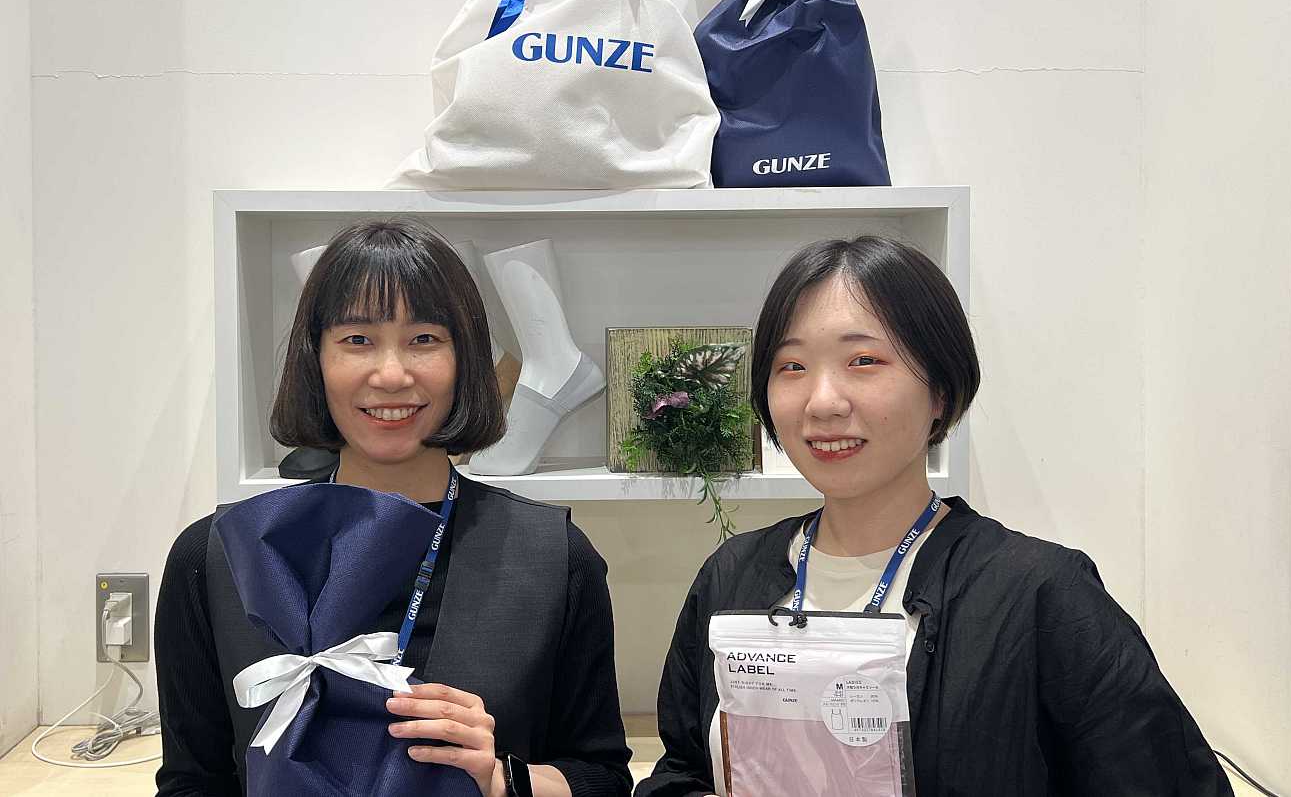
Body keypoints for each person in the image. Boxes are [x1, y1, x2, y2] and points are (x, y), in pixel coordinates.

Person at [636, 235, 1231, 796]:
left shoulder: (1039, 594)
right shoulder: (732, 575)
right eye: (792, 367)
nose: (822, 401)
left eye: (864, 360)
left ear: (940, 392)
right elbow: (682, 771)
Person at [155, 217, 632, 797]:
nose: (390, 374)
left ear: (466, 361)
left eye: (423, 339)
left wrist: (501, 778)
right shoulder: (219, 558)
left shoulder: (551, 556)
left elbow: (602, 778)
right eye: (357, 340)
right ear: (315, 359)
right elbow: (192, 782)